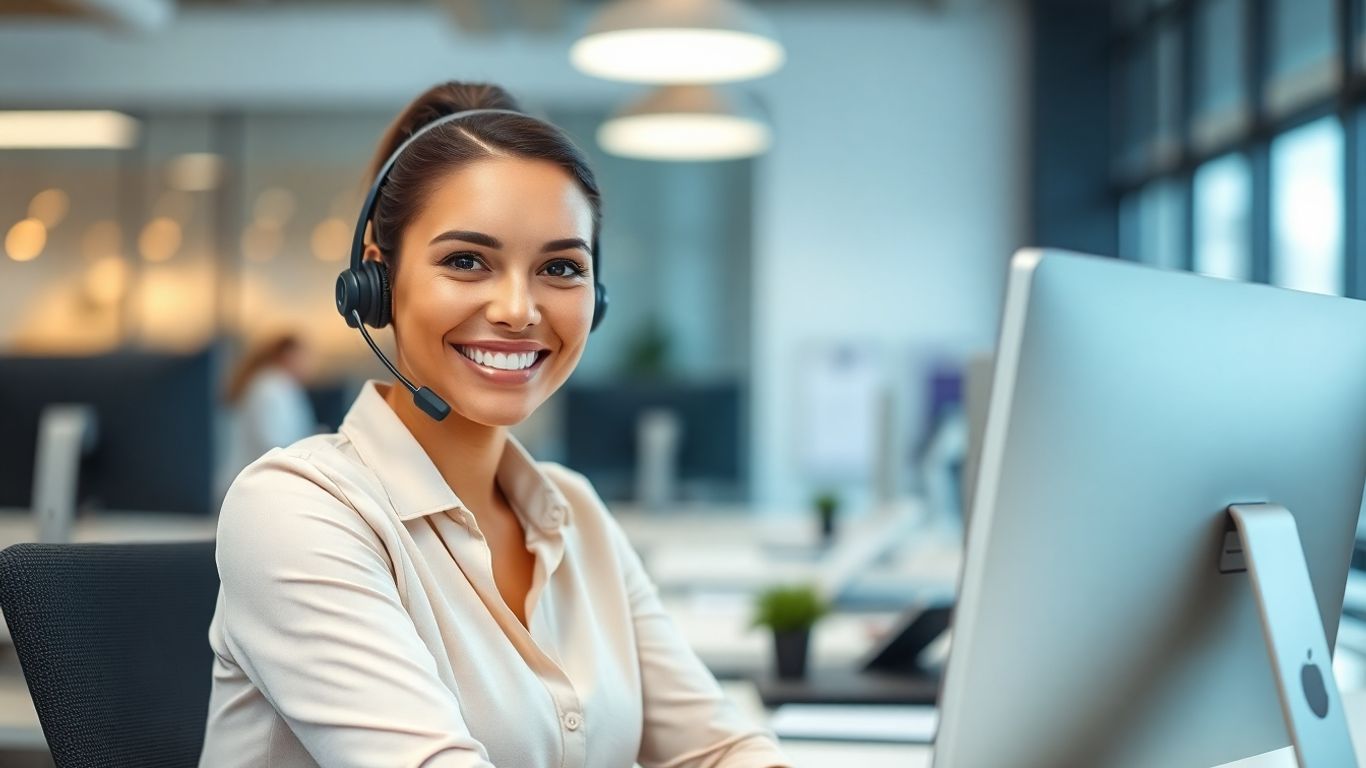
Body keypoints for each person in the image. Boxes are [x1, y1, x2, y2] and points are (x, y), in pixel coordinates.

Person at [198, 82, 791, 768]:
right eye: (467, 261)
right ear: (377, 280)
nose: (518, 309)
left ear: (594, 301)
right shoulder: (296, 511)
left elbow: (719, 747)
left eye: (560, 268)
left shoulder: (576, 515)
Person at [218, 332, 318, 499]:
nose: (307, 364)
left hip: (254, 485)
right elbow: (272, 441)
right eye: (302, 357)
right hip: (255, 487)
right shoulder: (271, 388)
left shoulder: (275, 385)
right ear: (287, 356)